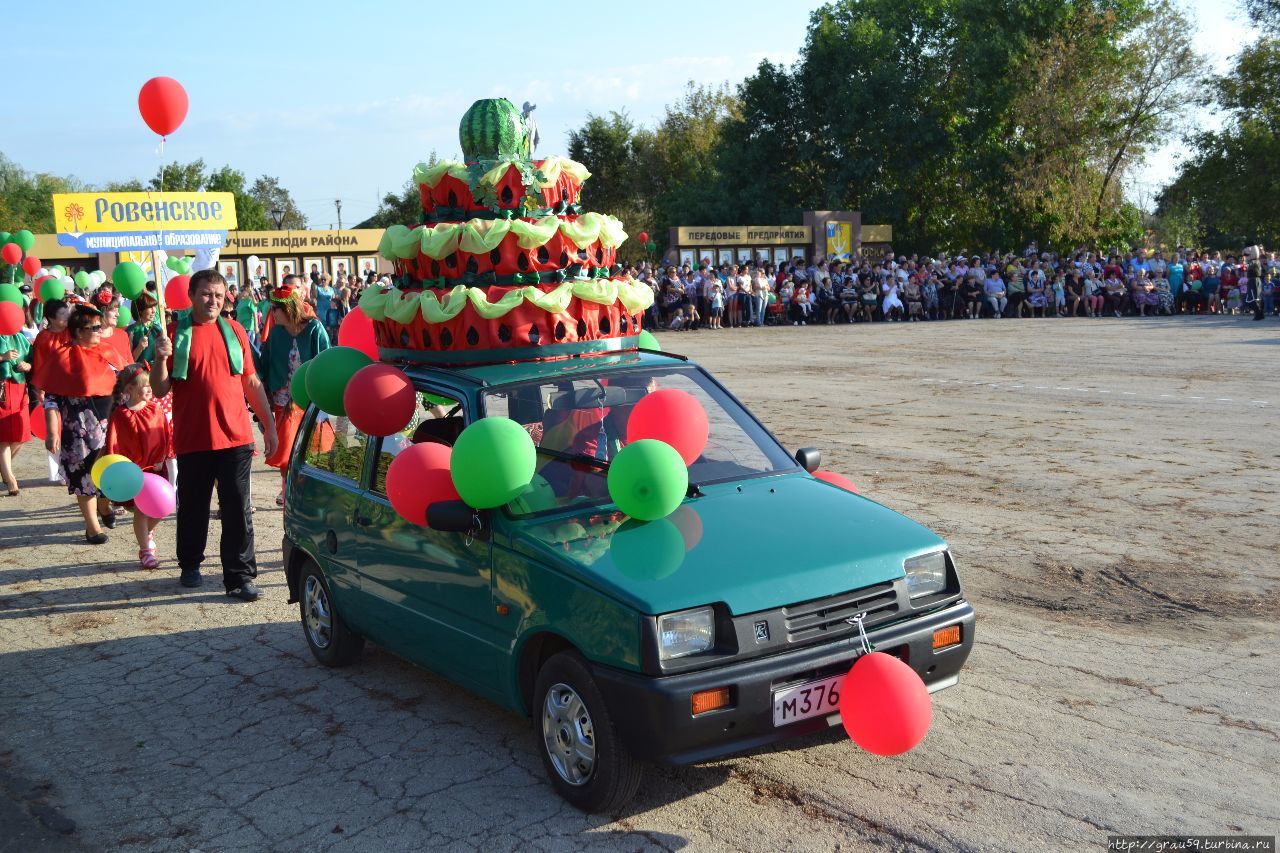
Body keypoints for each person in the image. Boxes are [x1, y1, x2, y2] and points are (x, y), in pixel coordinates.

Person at [152, 269, 277, 600]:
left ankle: (239, 577)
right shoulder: (175, 334)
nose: (213, 301)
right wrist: (159, 359)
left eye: (219, 296)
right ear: (191, 296)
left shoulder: (234, 330)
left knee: (238, 508)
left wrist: (268, 424)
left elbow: (251, 381)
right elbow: (160, 387)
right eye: (207, 294)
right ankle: (190, 562)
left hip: (236, 437)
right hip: (194, 438)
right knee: (194, 506)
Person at [37, 305, 120, 543]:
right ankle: (93, 527)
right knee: (83, 477)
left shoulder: (109, 352)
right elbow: (51, 399)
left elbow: (126, 382)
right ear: (77, 332)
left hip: (110, 426)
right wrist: (52, 431)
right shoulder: (62, 357)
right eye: (92, 327)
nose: (98, 330)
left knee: (108, 474)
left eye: (99, 326)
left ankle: (104, 508)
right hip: (78, 429)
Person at [255, 278, 330, 507]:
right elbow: (265, 364)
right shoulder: (276, 333)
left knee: (312, 446)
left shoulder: (314, 328)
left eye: (275, 309)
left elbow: (325, 361)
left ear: (287, 309)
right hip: (282, 399)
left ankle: (310, 489)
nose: (272, 314)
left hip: (309, 398)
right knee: (287, 446)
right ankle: (287, 489)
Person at [105, 363, 173, 569]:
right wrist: (116, 467)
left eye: (150, 384)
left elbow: (165, 435)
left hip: (156, 467)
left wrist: (164, 456)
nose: (149, 389)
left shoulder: (155, 409)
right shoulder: (120, 414)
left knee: (162, 508)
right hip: (133, 471)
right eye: (144, 385)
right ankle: (146, 551)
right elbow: (113, 442)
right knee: (142, 511)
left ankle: (147, 532)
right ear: (129, 390)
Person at [0, 328, 32, 495]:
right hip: (1, 388)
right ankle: (10, 478)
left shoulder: (20, 338)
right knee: (3, 437)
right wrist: (2, 357)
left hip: (19, 389)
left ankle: (4, 468)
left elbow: (32, 359)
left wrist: (27, 365)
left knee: (21, 435)